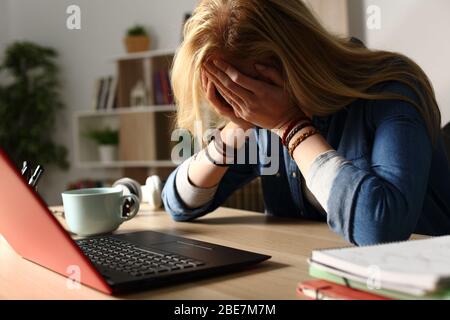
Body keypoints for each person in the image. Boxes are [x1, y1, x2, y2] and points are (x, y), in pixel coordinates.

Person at [162, 0, 450, 246]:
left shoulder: (392, 87)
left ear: (296, 60)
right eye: (228, 92)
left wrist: (289, 125)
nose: (245, 101)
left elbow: (381, 228)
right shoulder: (259, 119)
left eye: (248, 88)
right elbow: (179, 203)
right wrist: (238, 125)